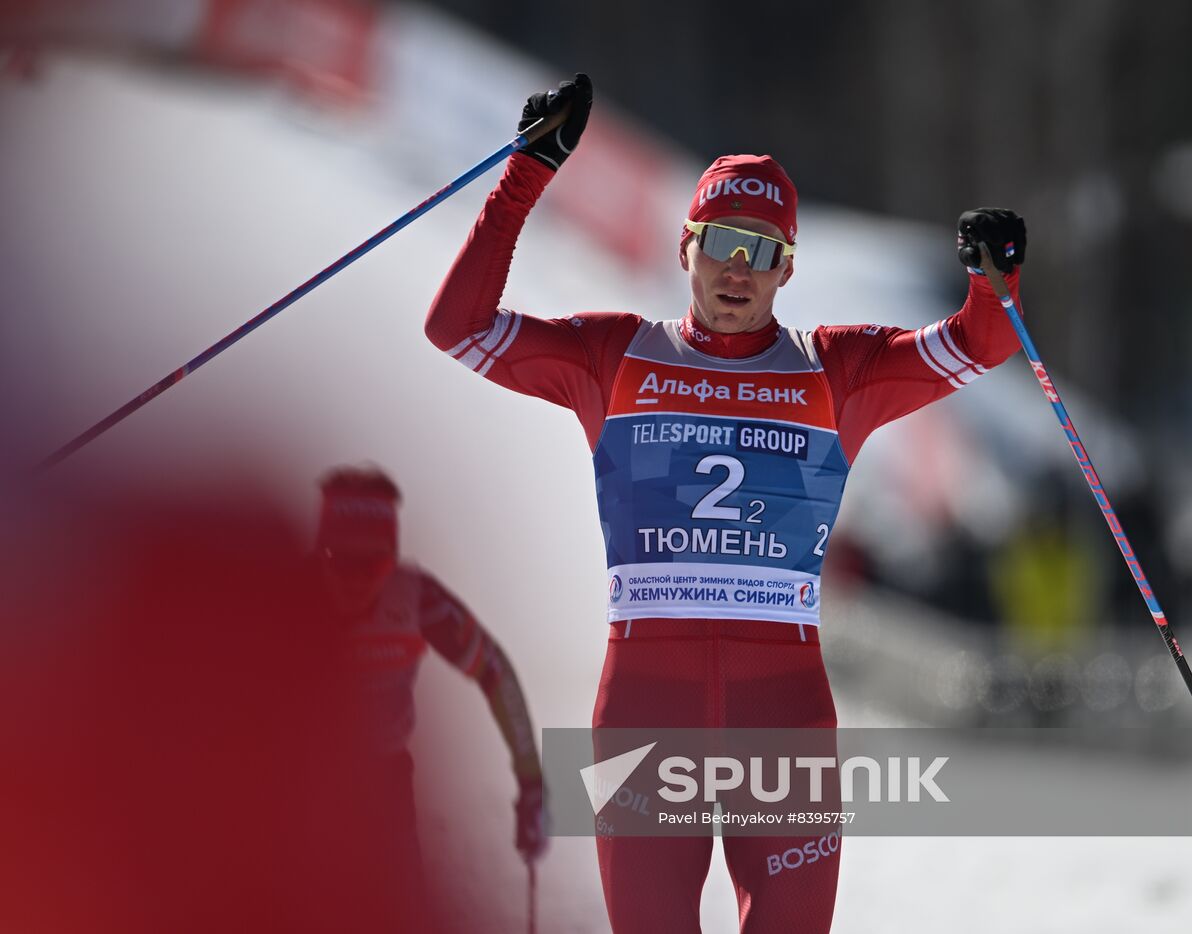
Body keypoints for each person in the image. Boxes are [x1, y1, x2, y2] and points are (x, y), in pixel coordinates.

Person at [424, 73, 1027, 933]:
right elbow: (459, 327)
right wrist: (526, 174)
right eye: (720, 242)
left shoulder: (837, 373)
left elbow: (981, 342)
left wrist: (995, 279)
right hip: (644, 705)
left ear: (787, 267)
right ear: (685, 247)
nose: (738, 268)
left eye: (761, 248)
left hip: (780, 712)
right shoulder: (613, 358)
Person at [314, 465, 547, 924]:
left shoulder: (416, 598)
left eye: (374, 565)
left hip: (384, 781)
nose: (357, 581)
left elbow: (496, 673)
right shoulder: (283, 598)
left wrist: (531, 783)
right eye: (342, 561)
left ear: (394, 558)